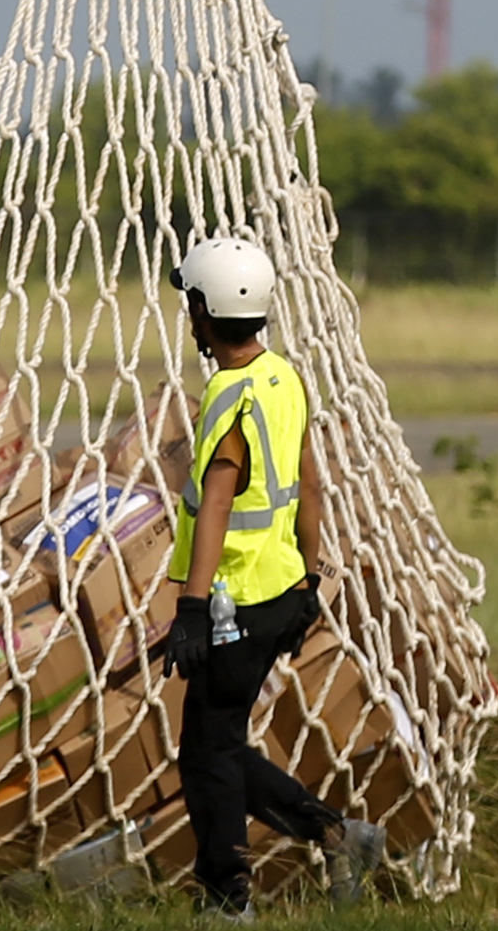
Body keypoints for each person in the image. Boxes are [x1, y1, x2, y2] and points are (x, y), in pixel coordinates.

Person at [157, 234, 389, 917]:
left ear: (203, 309)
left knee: (206, 754)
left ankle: (229, 897)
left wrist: (192, 606)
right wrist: (310, 579)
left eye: (188, 302)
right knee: (215, 743)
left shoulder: (227, 395)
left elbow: (218, 504)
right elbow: (310, 484)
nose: (187, 314)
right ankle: (338, 834)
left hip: (235, 599)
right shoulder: (283, 377)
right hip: (282, 592)